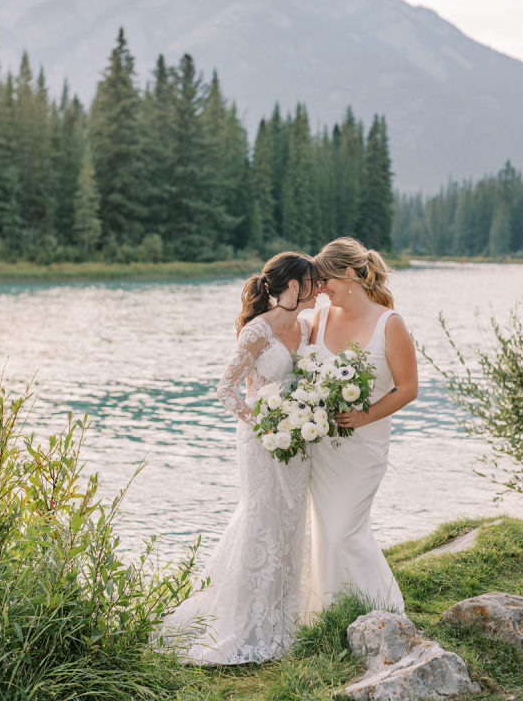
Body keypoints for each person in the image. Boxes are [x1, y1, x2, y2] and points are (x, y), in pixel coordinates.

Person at [153, 252, 317, 663]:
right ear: (294, 287)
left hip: (298, 442)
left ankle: (282, 623)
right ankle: (245, 626)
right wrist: (264, 426)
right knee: (261, 523)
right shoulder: (256, 332)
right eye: (313, 282)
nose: (319, 290)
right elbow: (226, 390)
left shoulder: (307, 327)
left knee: (292, 523)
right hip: (261, 442)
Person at [306, 237, 417, 615]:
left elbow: (408, 388)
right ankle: (333, 612)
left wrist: (364, 415)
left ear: (350, 274)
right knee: (324, 532)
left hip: (363, 448)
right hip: (320, 448)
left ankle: (385, 612)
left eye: (325, 281)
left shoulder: (390, 323)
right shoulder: (319, 318)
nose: (320, 290)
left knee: (343, 531)